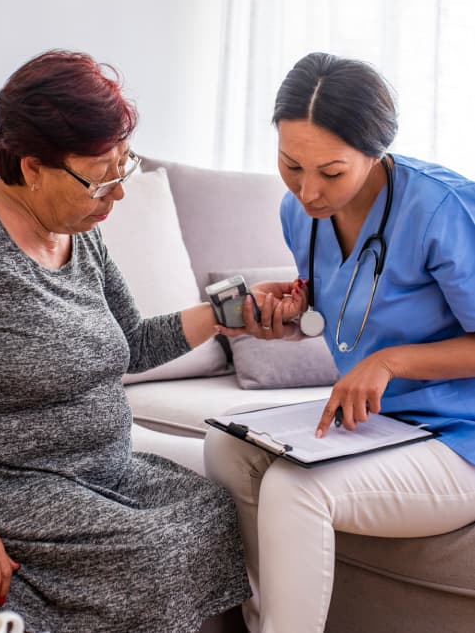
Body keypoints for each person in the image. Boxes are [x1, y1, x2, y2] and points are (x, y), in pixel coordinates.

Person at [0, 49, 256, 633]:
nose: (118, 195)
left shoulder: (77, 233)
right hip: (1, 476)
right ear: (32, 167)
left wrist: (227, 315)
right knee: (152, 550)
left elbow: (129, 341)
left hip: (100, 471)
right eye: (101, 177)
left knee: (211, 512)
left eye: (122, 169)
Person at [204, 52, 475, 633]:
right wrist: (295, 306)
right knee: (225, 448)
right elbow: (347, 301)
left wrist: (391, 361)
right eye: (290, 165)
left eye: (331, 172)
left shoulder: (442, 208)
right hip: (384, 421)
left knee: (296, 489)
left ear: (376, 151)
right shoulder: (298, 214)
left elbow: (387, 343)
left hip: (461, 435)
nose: (308, 191)